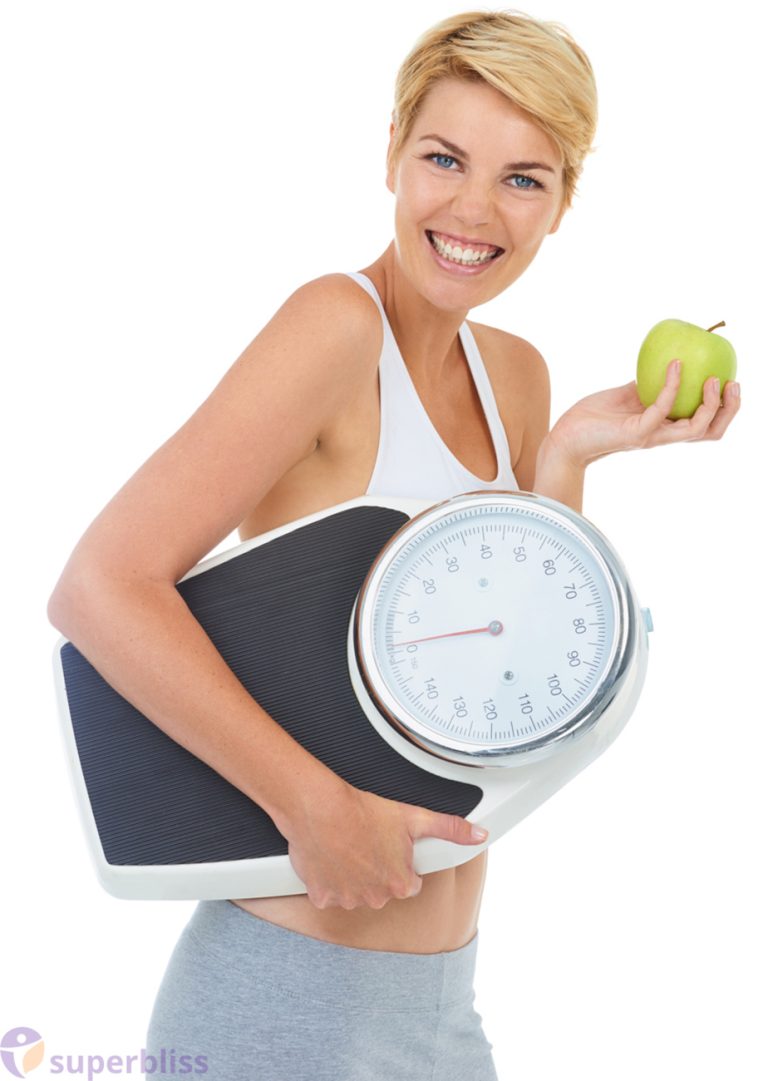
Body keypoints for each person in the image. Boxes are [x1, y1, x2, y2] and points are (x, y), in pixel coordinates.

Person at [47, 10, 740, 1081]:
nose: (473, 209)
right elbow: (101, 586)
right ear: (391, 154)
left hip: (441, 1008)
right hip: (287, 996)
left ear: (561, 205)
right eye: (444, 158)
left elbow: (517, 695)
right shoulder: (336, 327)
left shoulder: (516, 373)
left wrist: (566, 458)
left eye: (523, 178)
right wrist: (309, 804)